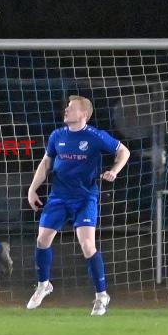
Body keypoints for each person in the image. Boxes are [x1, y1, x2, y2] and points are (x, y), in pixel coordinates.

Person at [26, 95, 130, 316]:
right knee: (42, 240)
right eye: (66, 107)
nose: (65, 110)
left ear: (83, 114)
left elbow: (124, 151)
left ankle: (102, 296)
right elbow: (46, 162)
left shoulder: (95, 136)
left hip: (85, 198)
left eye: (71, 108)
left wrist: (114, 170)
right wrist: (32, 189)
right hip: (58, 197)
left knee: (87, 246)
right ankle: (44, 285)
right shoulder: (57, 135)